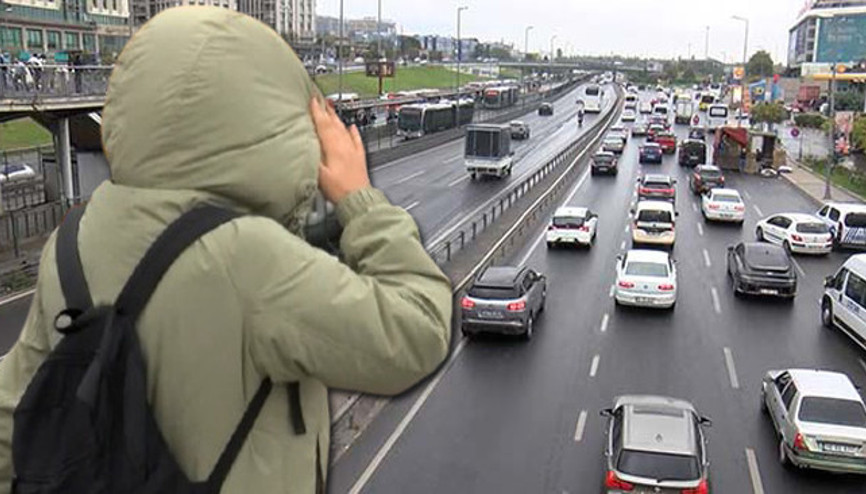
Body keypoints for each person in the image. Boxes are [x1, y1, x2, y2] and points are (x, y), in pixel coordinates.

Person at [0, 7, 452, 493]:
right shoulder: (251, 259)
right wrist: (358, 199)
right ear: (270, 127)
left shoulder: (76, 236)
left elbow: (14, 419)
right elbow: (417, 330)